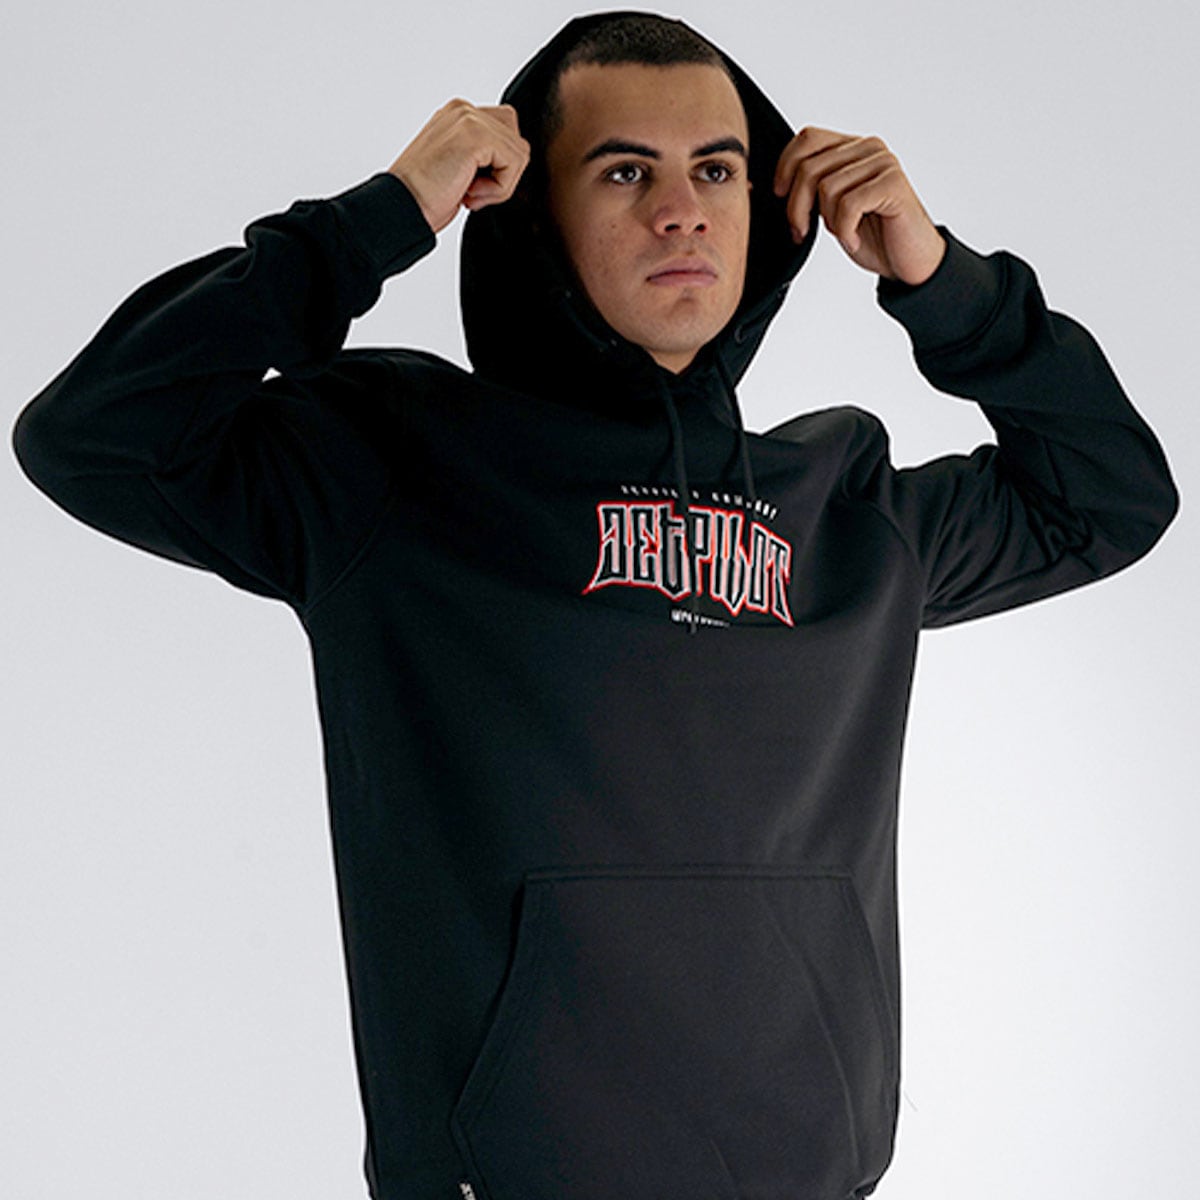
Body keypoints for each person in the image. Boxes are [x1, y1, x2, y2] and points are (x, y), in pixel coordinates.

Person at [10, 9, 1178, 1200]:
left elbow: (1111, 498)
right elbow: (94, 435)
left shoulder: (846, 507)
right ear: (531, 214)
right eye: (625, 172)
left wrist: (947, 287)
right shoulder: (393, 472)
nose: (682, 212)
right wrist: (375, 220)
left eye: (715, 171)